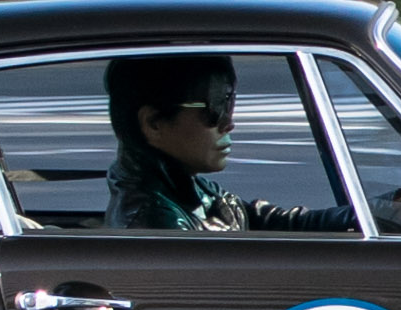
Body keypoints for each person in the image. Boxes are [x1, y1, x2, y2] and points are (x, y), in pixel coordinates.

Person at [103, 54, 355, 232]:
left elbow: (270, 223)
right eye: (214, 108)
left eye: (228, 103)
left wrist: (373, 212)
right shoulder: (159, 228)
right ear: (154, 123)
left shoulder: (188, 191)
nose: (228, 123)